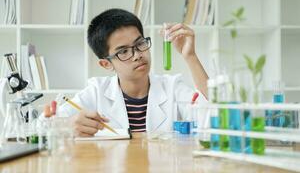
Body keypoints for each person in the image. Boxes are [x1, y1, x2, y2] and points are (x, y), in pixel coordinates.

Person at [57, 8, 209, 137]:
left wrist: (190, 56)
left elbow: (213, 117)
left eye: (140, 43)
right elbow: (42, 125)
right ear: (106, 64)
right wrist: (67, 125)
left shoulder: (172, 86)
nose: (138, 55)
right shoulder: (96, 91)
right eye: (123, 51)